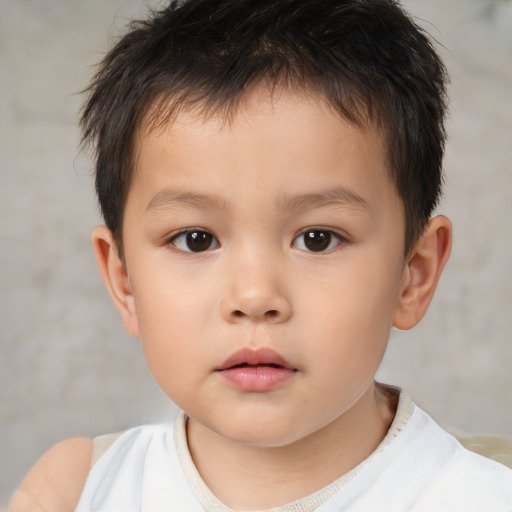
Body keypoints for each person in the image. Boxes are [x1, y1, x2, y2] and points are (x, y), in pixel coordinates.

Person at [9, 0, 512, 510]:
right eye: (195, 239)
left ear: (414, 274)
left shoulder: (482, 493)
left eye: (318, 238)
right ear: (124, 282)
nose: (254, 296)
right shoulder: (77, 489)